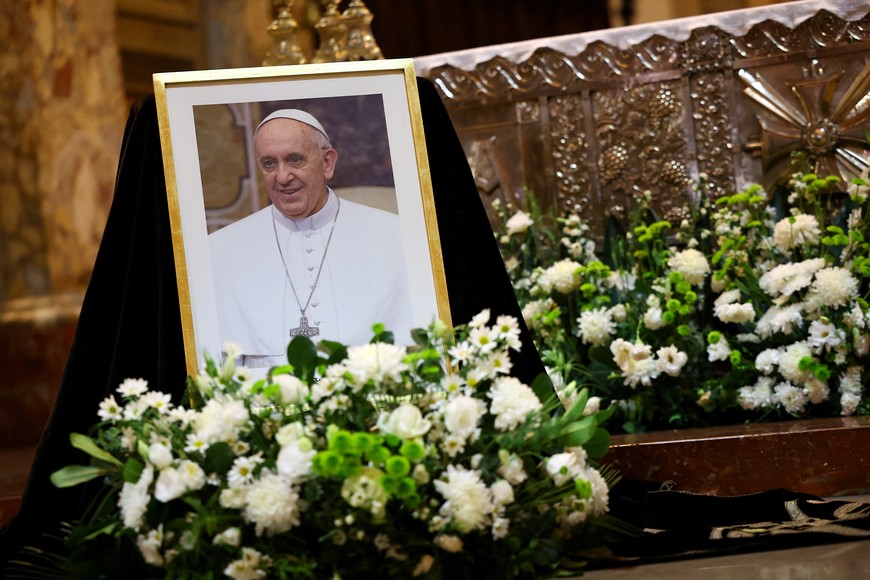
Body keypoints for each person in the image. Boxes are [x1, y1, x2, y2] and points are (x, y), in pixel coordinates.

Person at [209, 109, 415, 368]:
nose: (282, 177)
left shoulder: (396, 237)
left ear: (327, 163)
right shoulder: (219, 251)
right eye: (269, 163)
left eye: (295, 159)